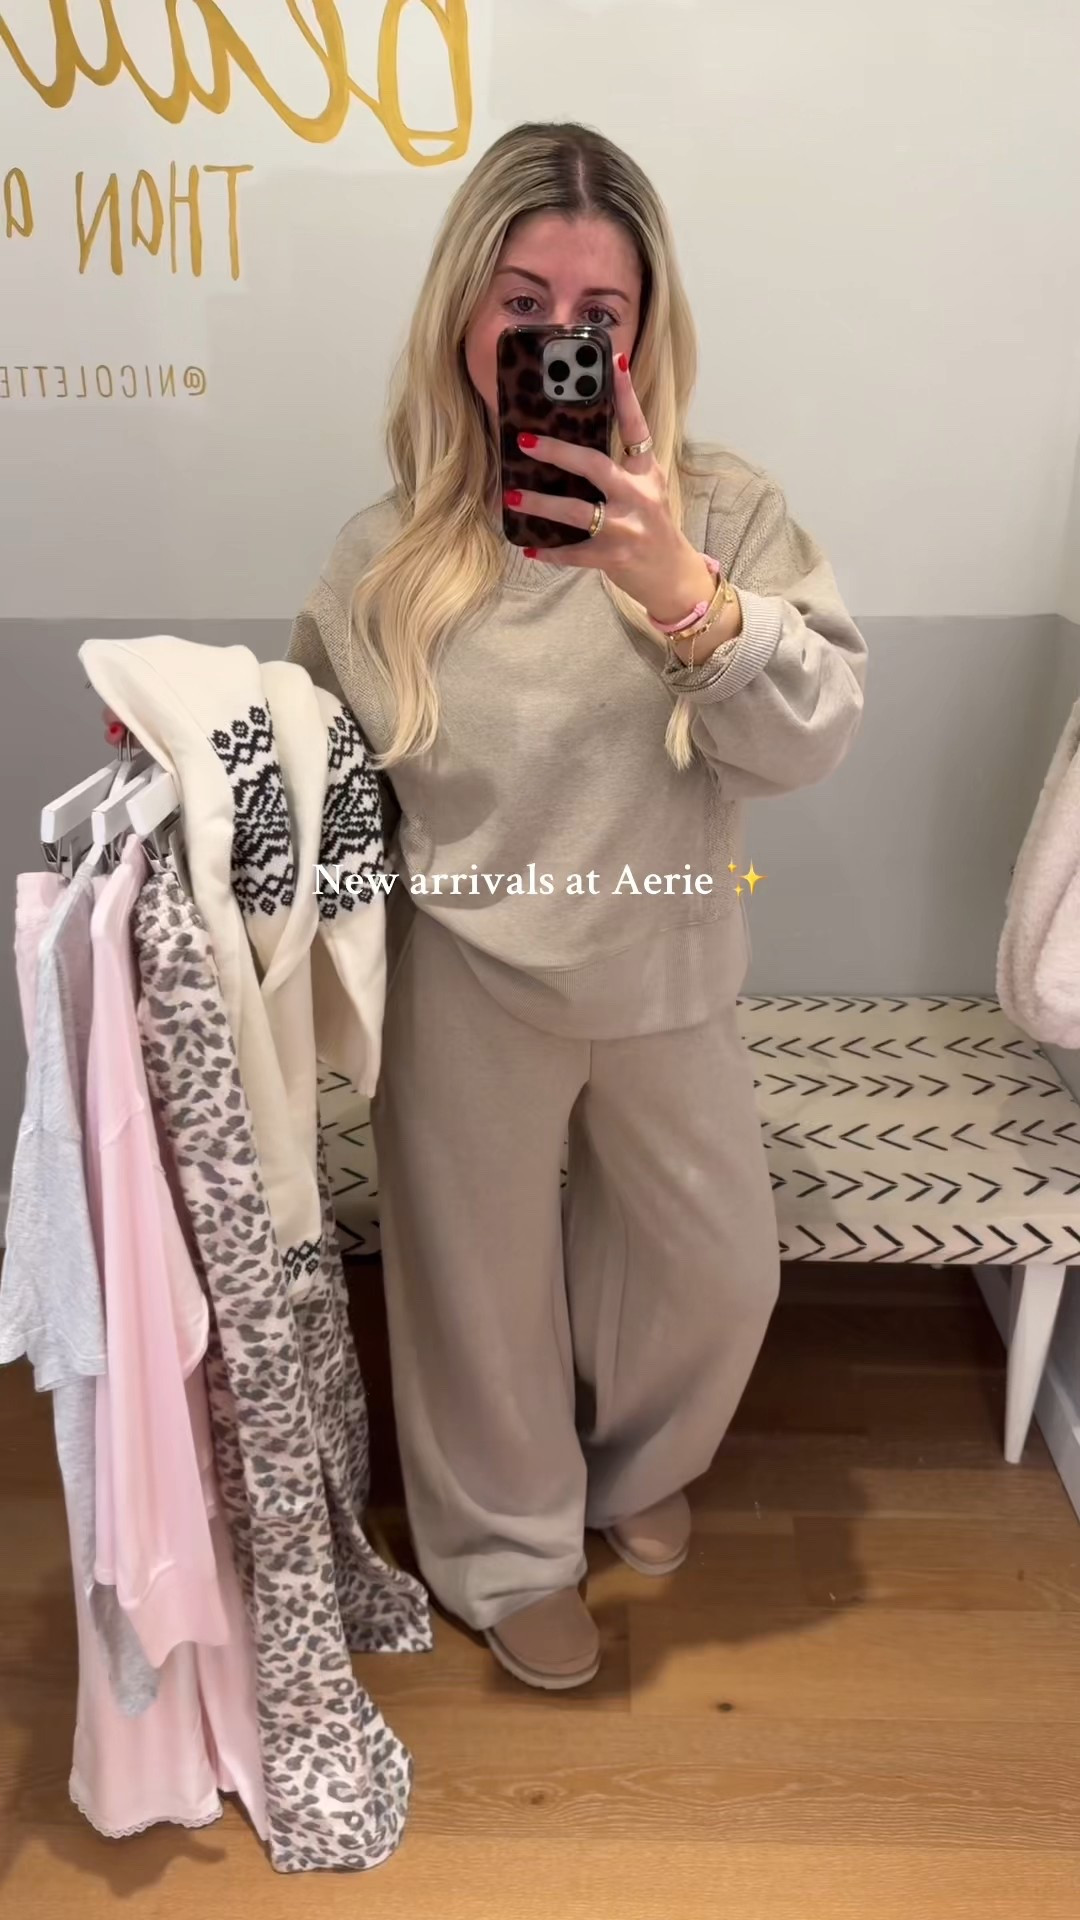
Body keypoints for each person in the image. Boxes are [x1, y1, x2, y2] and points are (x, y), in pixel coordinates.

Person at [287, 120, 868, 1692]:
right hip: (467, 973)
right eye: (524, 302)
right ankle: (504, 1551)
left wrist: (686, 597)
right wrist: (210, 757)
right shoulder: (384, 556)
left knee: (715, 1269)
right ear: (462, 316)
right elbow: (327, 778)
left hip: (667, 951)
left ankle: (634, 1462)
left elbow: (808, 739)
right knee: (474, 1291)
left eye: (599, 314)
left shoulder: (724, 515)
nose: (561, 340)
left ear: (645, 330)